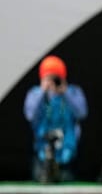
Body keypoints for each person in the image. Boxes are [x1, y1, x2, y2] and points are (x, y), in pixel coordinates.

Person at [24, 55, 88, 183]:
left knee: (66, 181)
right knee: (42, 180)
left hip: (67, 151)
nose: (53, 82)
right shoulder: (36, 93)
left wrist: (65, 92)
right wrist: (43, 91)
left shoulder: (73, 92)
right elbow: (30, 115)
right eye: (49, 78)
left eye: (56, 78)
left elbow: (82, 113)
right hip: (43, 151)